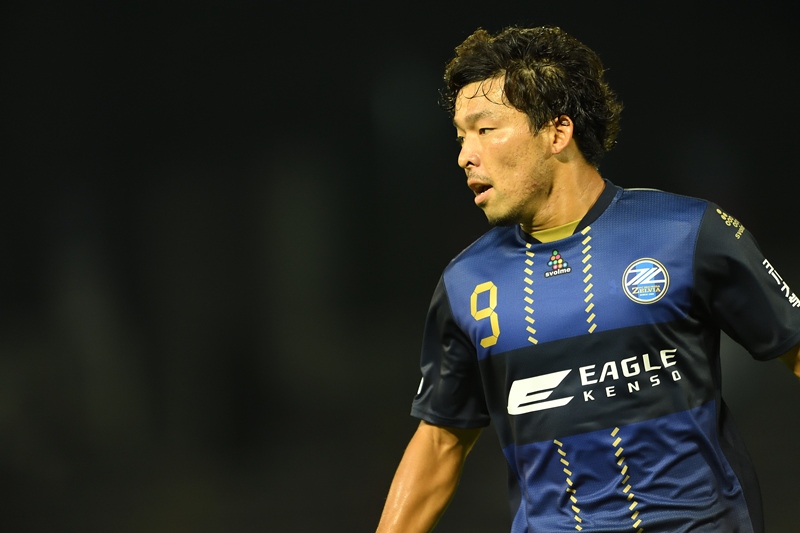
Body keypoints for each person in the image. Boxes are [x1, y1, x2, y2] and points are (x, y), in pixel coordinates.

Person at [374, 24, 800, 533]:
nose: (465, 155)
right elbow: (440, 442)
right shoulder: (465, 283)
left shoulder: (688, 232)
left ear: (557, 132)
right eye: (461, 136)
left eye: (484, 129)